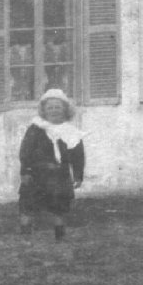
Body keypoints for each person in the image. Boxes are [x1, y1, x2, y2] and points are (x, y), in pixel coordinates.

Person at [18, 86, 86, 239]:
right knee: (27, 206)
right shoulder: (36, 129)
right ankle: (25, 238)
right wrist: (25, 171)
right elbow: (25, 152)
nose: (54, 111)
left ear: (65, 110)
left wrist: (78, 175)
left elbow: (78, 156)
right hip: (36, 174)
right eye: (50, 108)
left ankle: (59, 239)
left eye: (58, 107)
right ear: (44, 110)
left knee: (59, 207)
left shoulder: (71, 131)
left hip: (59, 175)